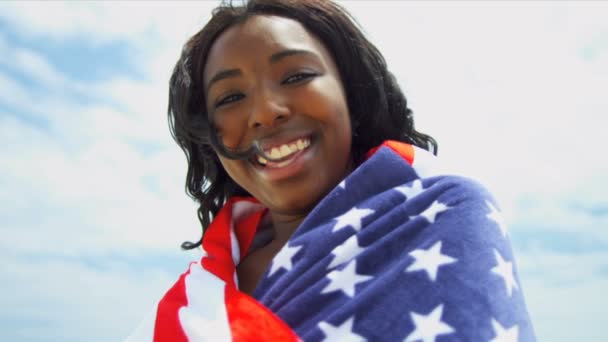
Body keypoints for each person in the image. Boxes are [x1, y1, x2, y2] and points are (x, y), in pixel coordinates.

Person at [127, 0, 535, 341]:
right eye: (231, 97)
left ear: (351, 95)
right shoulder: (191, 303)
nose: (266, 111)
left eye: (297, 75)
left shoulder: (444, 211)